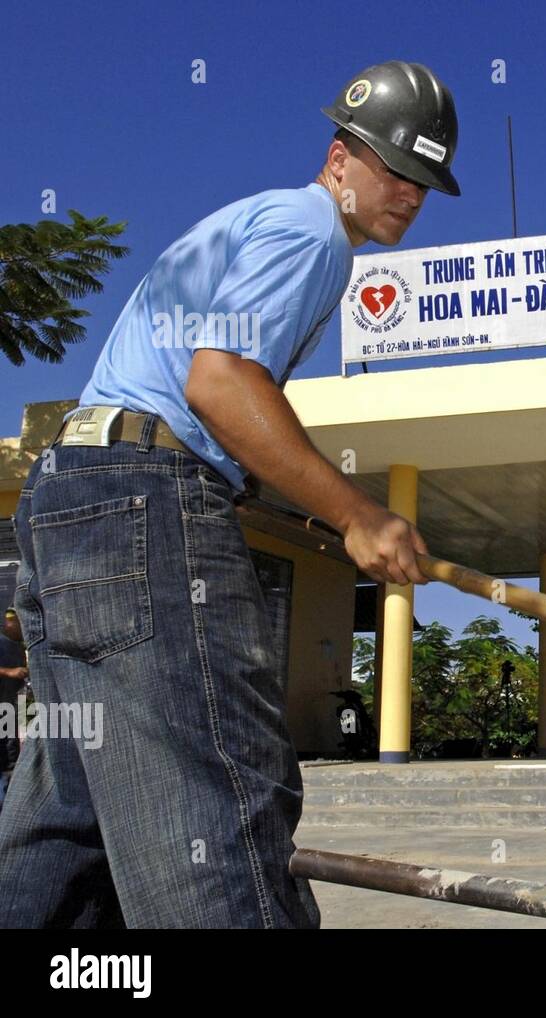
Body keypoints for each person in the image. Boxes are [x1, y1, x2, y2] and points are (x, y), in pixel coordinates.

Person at [0, 60, 459, 928]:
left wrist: (238, 474)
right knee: (218, 795)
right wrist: (358, 513)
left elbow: (195, 391)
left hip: (68, 498)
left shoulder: (248, 220)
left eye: (424, 182)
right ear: (338, 160)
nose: (408, 195)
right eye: (394, 171)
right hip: (140, 500)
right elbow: (220, 384)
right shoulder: (311, 231)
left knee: (72, 814)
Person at [0, 609, 28, 807]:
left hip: (10, 704)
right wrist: (9, 672)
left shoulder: (18, 645)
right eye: (18, 623)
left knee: (11, 748)